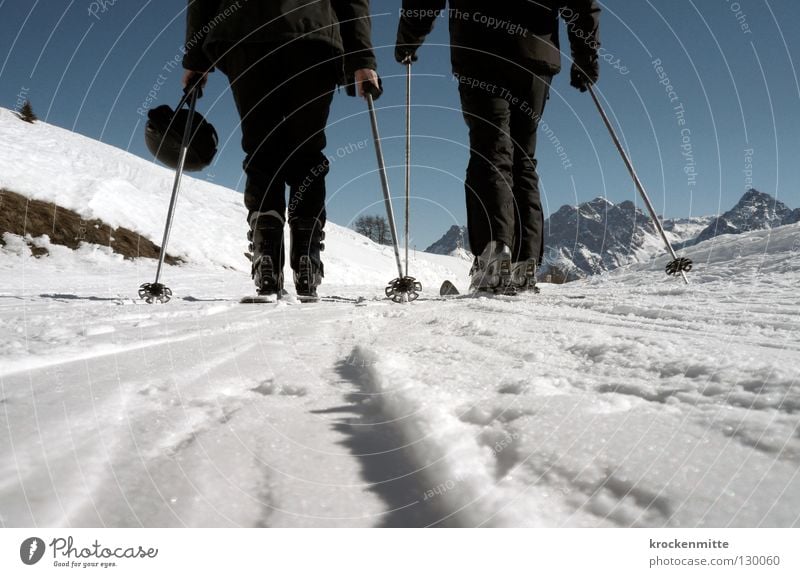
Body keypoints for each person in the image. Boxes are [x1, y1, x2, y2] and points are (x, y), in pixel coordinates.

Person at [396, 1, 600, 292]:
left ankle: (494, 258)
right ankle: (523, 266)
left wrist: (409, 38)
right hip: (535, 55)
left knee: (491, 151)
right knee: (524, 159)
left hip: (481, 49)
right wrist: (586, 54)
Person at [182, 1, 381, 299]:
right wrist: (362, 58)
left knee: (263, 151)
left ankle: (267, 257)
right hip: (313, 35)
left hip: (245, 35)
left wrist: (196, 58)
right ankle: (306, 257)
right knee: (307, 151)